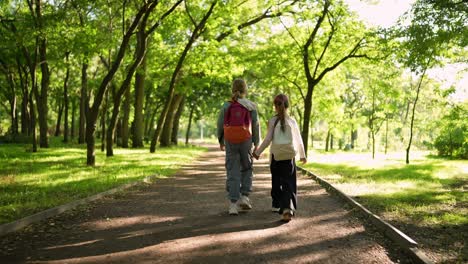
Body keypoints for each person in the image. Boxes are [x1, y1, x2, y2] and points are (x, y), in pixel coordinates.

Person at [253, 94, 306, 222]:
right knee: (289, 183)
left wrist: (258, 152)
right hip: (289, 156)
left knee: (277, 181)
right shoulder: (292, 121)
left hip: (276, 156)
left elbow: (268, 139)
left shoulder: (272, 121)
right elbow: (298, 140)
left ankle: (277, 203)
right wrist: (303, 155)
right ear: (287, 106)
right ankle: (287, 209)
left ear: (275, 107)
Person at [217, 79, 260, 215]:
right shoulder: (251, 106)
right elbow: (256, 125)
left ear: (232, 89)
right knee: (247, 168)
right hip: (246, 140)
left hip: (230, 140)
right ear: (245, 90)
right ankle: (245, 197)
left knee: (232, 170)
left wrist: (221, 140)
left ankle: (233, 205)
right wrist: (256, 142)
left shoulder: (226, 105)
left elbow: (220, 124)